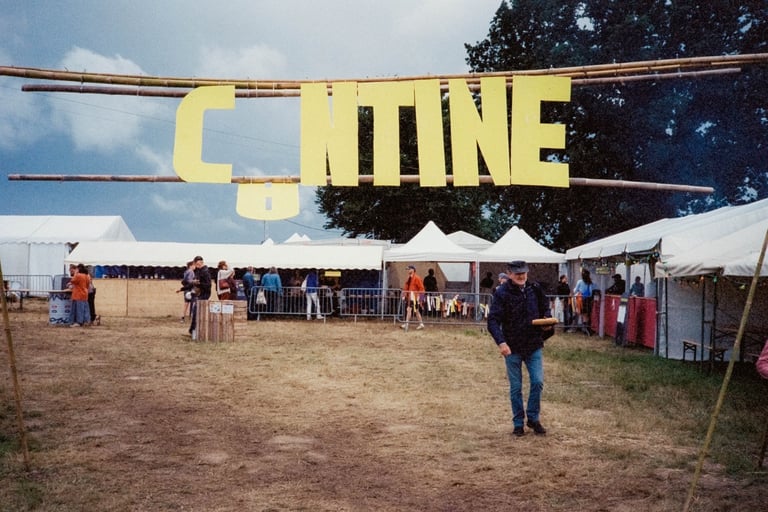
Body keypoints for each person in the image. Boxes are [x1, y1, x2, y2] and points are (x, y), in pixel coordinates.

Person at [487, 260, 552, 437]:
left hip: (533, 345)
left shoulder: (535, 289)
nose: (521, 276)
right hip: (512, 347)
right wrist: (501, 342)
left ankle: (533, 418)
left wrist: (547, 320)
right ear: (509, 274)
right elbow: (493, 321)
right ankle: (518, 424)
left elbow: (545, 309)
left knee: (537, 382)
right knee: (516, 387)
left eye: (524, 273)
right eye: (517, 274)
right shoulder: (501, 293)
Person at [189, 255, 212, 338]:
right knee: (196, 312)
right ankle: (193, 329)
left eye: (197, 264)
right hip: (201, 293)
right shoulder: (200, 271)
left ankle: (194, 330)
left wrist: (198, 284)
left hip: (204, 294)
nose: (196, 265)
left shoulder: (205, 272)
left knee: (197, 312)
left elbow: (208, 285)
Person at [401, 265, 425, 330]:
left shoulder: (416, 278)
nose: (408, 270)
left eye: (409, 269)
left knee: (409, 310)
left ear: (413, 270)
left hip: (414, 297)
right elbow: (406, 287)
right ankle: (421, 324)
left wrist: (421, 299)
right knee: (416, 311)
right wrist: (404, 295)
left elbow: (422, 289)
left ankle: (406, 324)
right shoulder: (409, 278)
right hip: (411, 297)